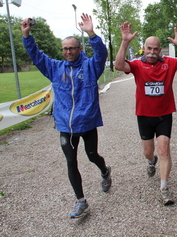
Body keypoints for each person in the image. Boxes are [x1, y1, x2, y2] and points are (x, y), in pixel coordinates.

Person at [21, 14, 112, 218]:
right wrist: (27, 36)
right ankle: (81, 202)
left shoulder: (91, 67)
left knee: (92, 155)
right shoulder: (55, 68)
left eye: (72, 48)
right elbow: (36, 56)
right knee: (71, 162)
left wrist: (91, 34)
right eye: (65, 48)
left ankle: (105, 171)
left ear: (79, 49)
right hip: (65, 125)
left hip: (87, 122)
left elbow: (101, 54)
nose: (68, 51)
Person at [115, 22, 177, 205]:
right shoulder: (136, 65)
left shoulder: (168, 63)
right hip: (144, 115)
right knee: (148, 152)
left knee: (164, 149)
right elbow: (119, 66)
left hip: (164, 114)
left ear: (160, 50)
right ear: (144, 49)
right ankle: (151, 162)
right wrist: (124, 42)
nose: (152, 52)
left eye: (155, 49)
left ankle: (164, 188)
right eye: (149, 48)